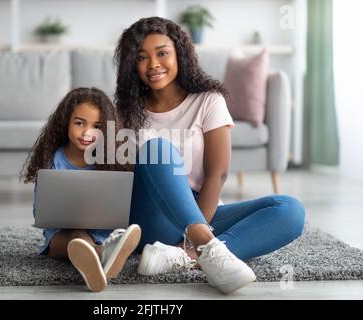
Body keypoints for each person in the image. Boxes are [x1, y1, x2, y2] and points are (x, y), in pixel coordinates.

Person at [114, 17, 305, 294]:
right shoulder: (125, 110)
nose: (153, 64)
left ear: (180, 53)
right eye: (142, 57)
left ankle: (186, 258)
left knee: (289, 210)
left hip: (201, 210)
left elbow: (218, 173)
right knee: (158, 150)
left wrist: (195, 232)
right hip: (151, 216)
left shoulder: (208, 100)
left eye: (162, 53)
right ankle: (209, 250)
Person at [21, 87, 141, 292]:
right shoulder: (53, 159)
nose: (87, 133)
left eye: (96, 126)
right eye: (79, 123)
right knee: (76, 237)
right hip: (60, 237)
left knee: (84, 238)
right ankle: (103, 255)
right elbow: (38, 210)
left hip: (101, 232)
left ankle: (97, 254)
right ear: (65, 122)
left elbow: (120, 202)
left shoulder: (110, 160)